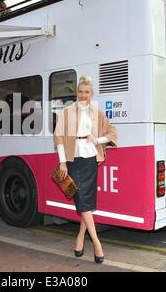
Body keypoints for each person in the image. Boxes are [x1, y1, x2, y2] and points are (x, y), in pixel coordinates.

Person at [53, 75, 117, 263]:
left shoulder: (96, 113)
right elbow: (59, 137)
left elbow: (112, 133)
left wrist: (97, 140)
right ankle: (97, 243)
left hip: (90, 159)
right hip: (73, 160)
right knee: (82, 201)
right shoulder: (67, 111)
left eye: (86, 92)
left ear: (91, 93)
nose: (83, 95)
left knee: (85, 202)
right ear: (76, 92)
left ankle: (80, 239)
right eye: (80, 91)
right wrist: (63, 162)